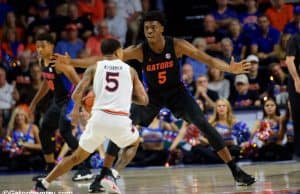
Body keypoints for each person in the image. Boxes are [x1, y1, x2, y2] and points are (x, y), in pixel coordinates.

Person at [54, 11, 255, 189]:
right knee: (123, 123)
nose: (149, 30)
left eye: (153, 27)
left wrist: (230, 69)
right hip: (152, 96)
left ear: (161, 29)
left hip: (178, 93)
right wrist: (71, 62)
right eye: (146, 27)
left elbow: (207, 59)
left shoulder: (176, 45)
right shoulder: (140, 50)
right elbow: (102, 60)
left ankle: (236, 170)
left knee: (204, 124)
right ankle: (106, 173)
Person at [34, 38, 148, 193]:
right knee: (134, 143)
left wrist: (84, 106)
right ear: (118, 52)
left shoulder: (94, 68)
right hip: (120, 119)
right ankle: (111, 174)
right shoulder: (130, 70)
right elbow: (144, 99)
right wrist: (127, 96)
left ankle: (43, 184)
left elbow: (75, 95)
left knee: (76, 157)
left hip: (98, 118)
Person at [29, 33, 83, 181]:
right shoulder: (41, 61)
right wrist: (34, 103)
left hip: (69, 100)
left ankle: (85, 168)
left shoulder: (58, 62)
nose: (39, 49)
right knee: (44, 129)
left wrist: (80, 103)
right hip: (57, 101)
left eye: (43, 46)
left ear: (51, 46)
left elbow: (77, 80)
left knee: (65, 130)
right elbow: (47, 83)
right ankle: (51, 169)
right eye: (37, 46)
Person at [286, 28, 300, 157]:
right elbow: (289, 60)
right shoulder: (294, 39)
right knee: (298, 115)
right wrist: (297, 79)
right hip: (297, 79)